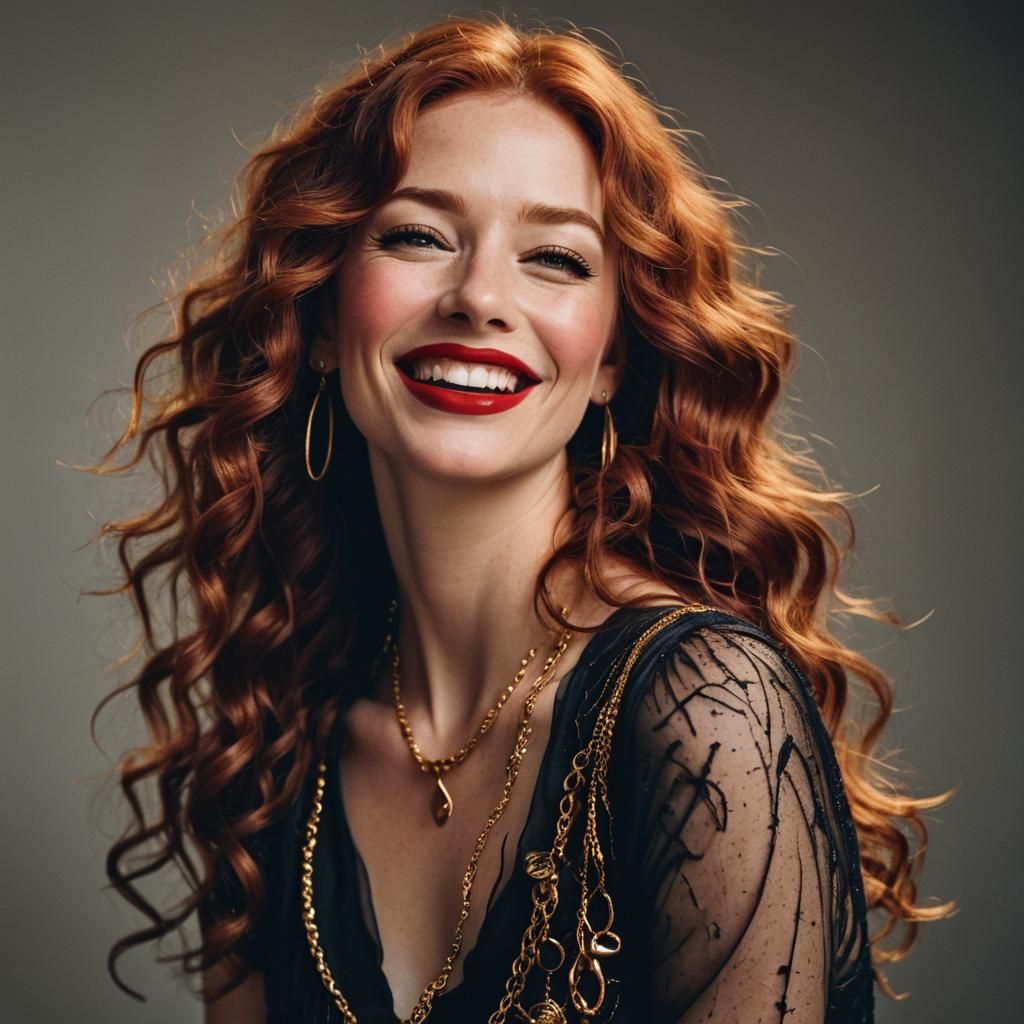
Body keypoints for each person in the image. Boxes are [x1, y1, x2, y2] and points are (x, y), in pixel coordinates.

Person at [89, 14, 955, 1024]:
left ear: (614, 359)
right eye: (418, 235)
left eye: (554, 257)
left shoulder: (708, 712)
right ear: (322, 319)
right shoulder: (269, 753)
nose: (480, 297)